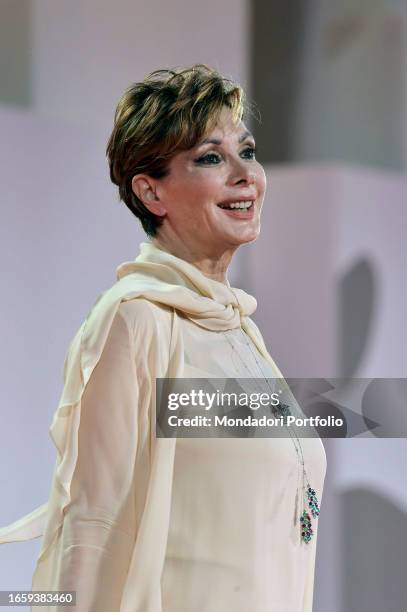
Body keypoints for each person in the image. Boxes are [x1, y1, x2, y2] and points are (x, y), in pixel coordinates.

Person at [0, 64, 327, 611]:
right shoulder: (136, 321)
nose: (245, 174)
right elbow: (92, 521)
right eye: (209, 158)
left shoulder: (238, 328)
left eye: (246, 151)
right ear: (151, 192)